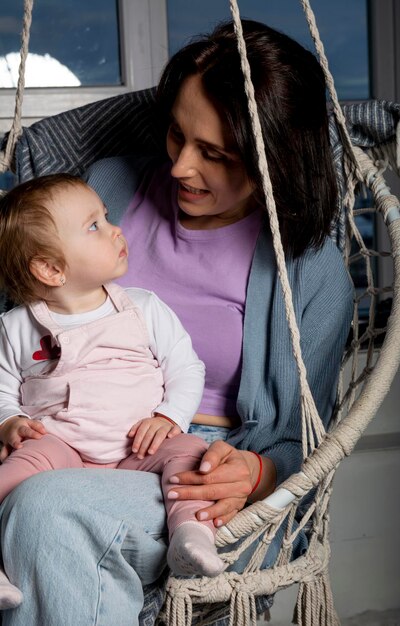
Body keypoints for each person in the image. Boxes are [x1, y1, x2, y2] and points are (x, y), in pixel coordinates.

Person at [0, 19, 354, 626]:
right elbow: (25, 327)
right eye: (176, 134)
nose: (181, 167)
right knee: (41, 500)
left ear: (276, 158)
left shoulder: (309, 270)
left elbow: (304, 441)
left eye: (215, 154)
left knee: (44, 511)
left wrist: (259, 471)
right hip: (61, 434)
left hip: (193, 465)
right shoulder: (108, 185)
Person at [0, 173, 229, 606]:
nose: (115, 229)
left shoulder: (142, 307)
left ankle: (191, 533)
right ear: (51, 268)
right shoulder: (16, 328)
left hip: (138, 449)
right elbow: (1, 389)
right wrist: (11, 421)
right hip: (61, 449)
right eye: (94, 226)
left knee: (191, 455)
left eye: (105, 217)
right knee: (13, 473)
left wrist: (168, 418)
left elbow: (185, 367)